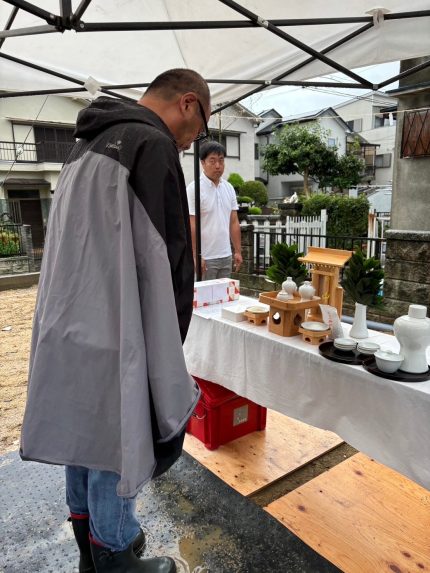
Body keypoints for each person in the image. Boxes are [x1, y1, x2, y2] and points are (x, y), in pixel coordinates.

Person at [20, 68, 211, 573]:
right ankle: (115, 551)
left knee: (84, 430)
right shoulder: (151, 143)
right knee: (120, 434)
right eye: (202, 129)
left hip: (69, 317)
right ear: (188, 104)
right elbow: (166, 254)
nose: (195, 142)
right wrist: (170, 336)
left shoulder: (85, 145)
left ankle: (88, 541)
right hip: (117, 319)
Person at [186, 141, 243, 279]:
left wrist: (238, 251)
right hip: (205, 257)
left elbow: (234, 222)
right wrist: (195, 255)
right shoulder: (194, 188)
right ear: (202, 162)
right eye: (212, 161)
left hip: (226, 255)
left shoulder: (229, 188)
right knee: (204, 298)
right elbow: (191, 224)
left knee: (225, 298)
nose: (218, 165)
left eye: (221, 160)